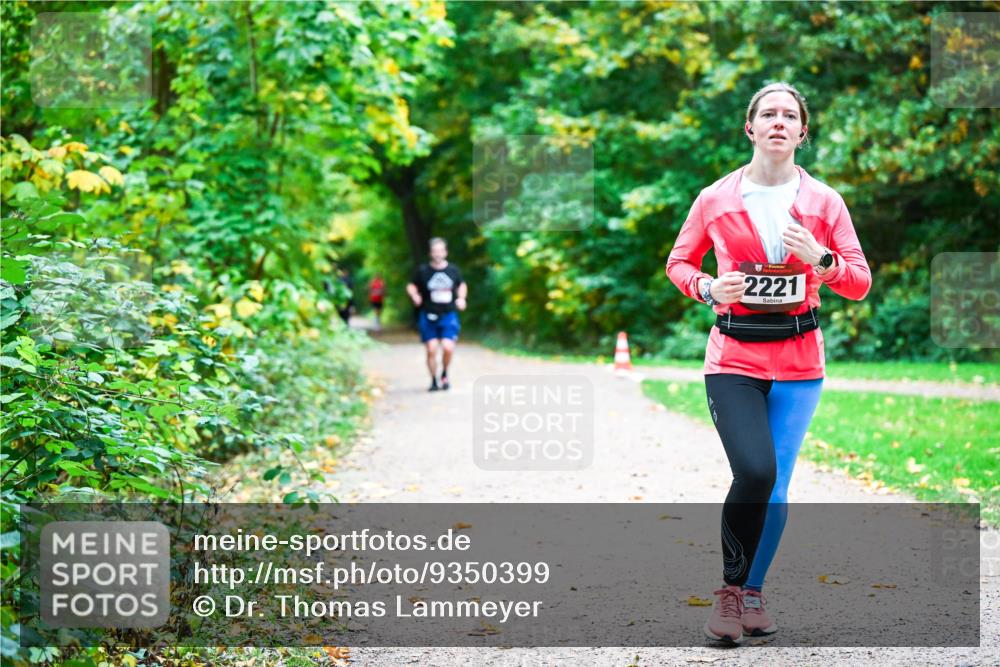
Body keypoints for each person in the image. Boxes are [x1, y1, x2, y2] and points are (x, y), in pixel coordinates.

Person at [665, 82, 871, 645]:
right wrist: (710, 286)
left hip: (801, 359)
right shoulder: (715, 197)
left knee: (776, 485)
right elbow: (679, 263)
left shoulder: (825, 203)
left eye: (789, 115)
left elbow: (859, 281)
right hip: (734, 354)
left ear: (802, 132)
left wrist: (821, 259)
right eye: (767, 114)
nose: (778, 122)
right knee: (754, 471)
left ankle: (753, 594)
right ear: (749, 128)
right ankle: (729, 594)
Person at [406, 238, 467, 391]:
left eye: (441, 250)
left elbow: (462, 285)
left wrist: (461, 298)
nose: (438, 254)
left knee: (448, 347)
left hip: (448, 314)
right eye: (435, 251)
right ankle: (433, 380)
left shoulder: (453, 270)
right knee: (431, 348)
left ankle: (444, 374)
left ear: (445, 252)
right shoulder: (423, 271)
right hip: (428, 314)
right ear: (430, 253)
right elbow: (411, 285)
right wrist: (415, 295)